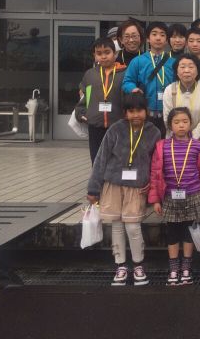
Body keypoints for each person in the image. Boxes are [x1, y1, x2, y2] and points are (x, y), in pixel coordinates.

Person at [86, 93, 161, 286]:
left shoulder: (154, 132)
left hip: (137, 187)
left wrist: (153, 184)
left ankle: (138, 265)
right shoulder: (116, 129)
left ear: (146, 111)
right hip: (113, 184)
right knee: (117, 225)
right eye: (131, 111)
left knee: (133, 226)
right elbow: (101, 158)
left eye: (140, 110)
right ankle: (120, 265)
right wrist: (93, 188)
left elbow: (156, 163)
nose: (135, 115)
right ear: (125, 113)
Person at [148, 107, 200, 286]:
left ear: (191, 124)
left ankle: (186, 267)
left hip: (193, 195)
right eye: (176, 122)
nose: (181, 125)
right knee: (172, 233)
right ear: (170, 125)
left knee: (188, 232)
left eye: (185, 121)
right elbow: (155, 174)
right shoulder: (162, 146)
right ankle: (173, 267)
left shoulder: (198, 146)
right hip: (170, 197)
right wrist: (155, 199)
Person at [76, 38, 127, 164]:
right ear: (94, 55)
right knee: (97, 160)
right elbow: (84, 97)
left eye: (107, 52)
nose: (103, 56)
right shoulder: (90, 75)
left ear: (115, 54)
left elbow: (128, 98)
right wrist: (81, 113)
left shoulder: (125, 74)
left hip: (118, 124)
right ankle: (97, 177)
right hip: (95, 125)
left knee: (117, 160)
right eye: (99, 53)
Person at [122, 22, 175, 137]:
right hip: (144, 112)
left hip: (168, 112)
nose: (158, 38)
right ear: (147, 39)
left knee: (164, 145)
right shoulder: (138, 61)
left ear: (167, 40)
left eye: (162, 35)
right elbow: (127, 82)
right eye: (154, 34)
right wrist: (133, 88)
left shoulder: (173, 63)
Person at [162, 54, 200, 143]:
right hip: (174, 138)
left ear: (198, 71)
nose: (186, 70)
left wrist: (193, 137)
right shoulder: (169, 89)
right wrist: (180, 137)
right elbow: (167, 117)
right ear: (176, 71)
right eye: (182, 67)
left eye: (191, 67)